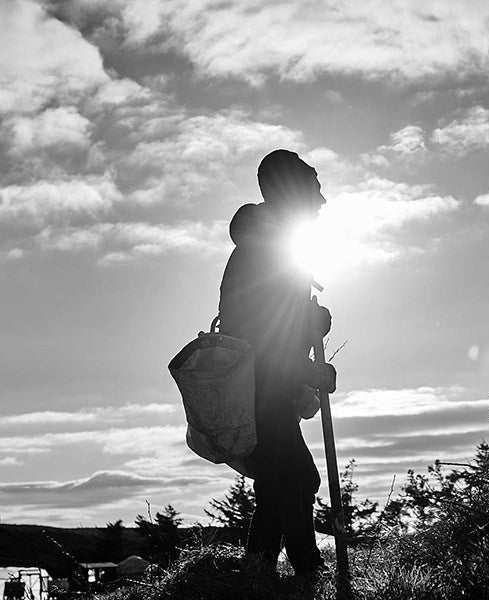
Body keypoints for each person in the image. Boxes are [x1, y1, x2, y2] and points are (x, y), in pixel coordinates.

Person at [218, 149, 337, 578]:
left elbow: (277, 328)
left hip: (263, 387)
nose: (322, 200)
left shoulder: (273, 248)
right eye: (314, 189)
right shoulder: (267, 253)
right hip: (261, 388)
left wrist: (310, 327)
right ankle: (308, 570)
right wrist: (309, 369)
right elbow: (263, 340)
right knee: (296, 479)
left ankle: (257, 570)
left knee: (279, 483)